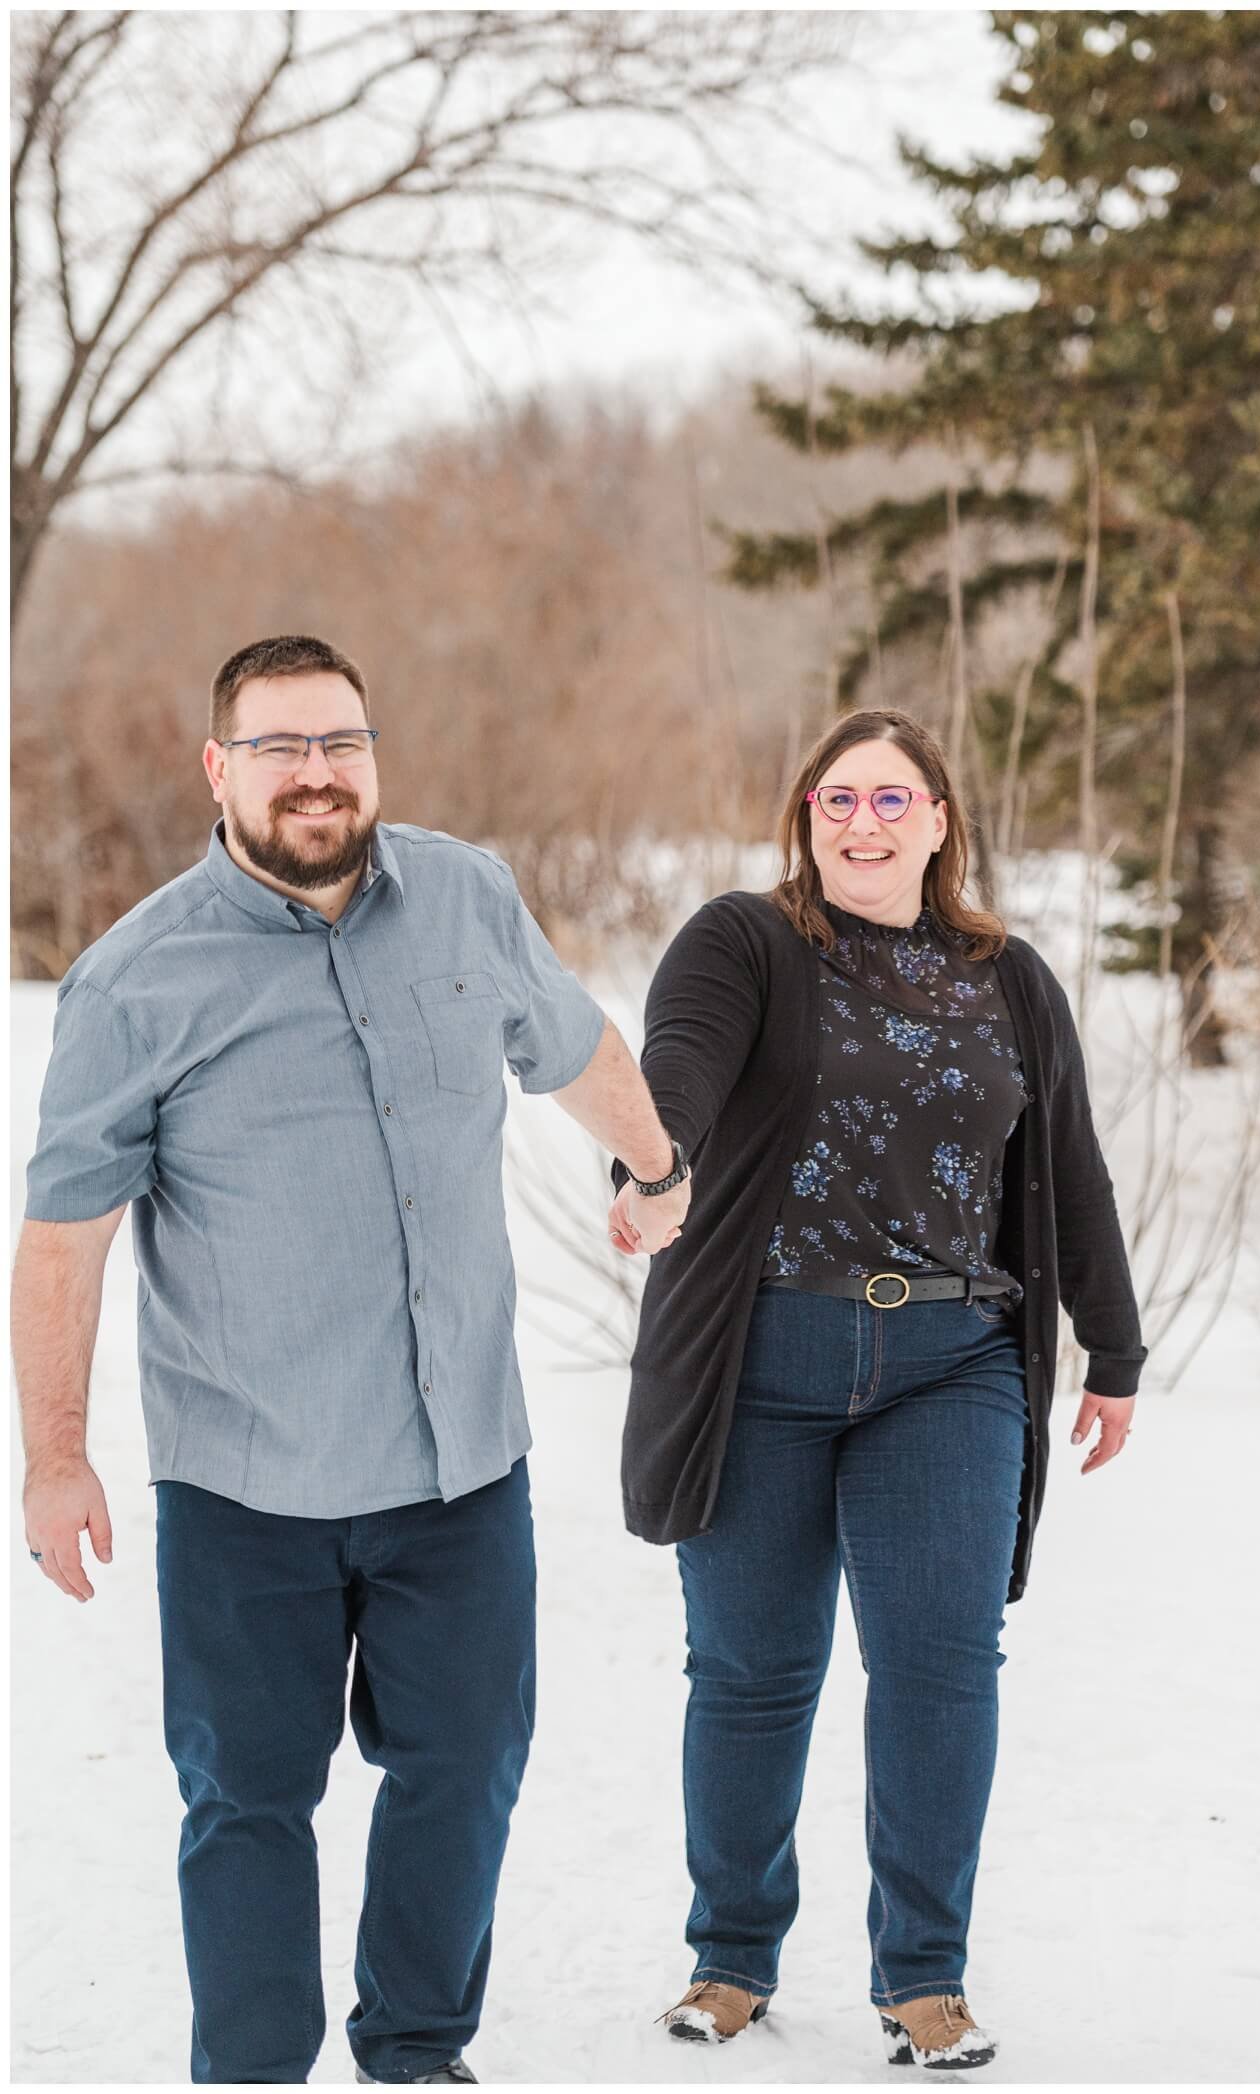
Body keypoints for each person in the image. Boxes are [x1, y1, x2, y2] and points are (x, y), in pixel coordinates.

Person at [14, 634, 690, 2086]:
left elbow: (569, 1043)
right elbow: (65, 1238)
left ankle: (416, 2048)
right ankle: (254, 2069)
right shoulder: (134, 983)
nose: (315, 772)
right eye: (279, 747)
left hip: (459, 1472)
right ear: (220, 768)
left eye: (340, 742)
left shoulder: (464, 895)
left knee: (464, 1770)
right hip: (248, 1485)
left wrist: (651, 1161)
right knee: (250, 1800)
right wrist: (55, 1455)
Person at [607, 706, 1147, 2073]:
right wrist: (651, 1162)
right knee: (750, 1671)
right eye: (840, 799)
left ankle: (924, 1979)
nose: (865, 822)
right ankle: (730, 1957)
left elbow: (1067, 1165)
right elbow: (679, 1064)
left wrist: (1116, 1347)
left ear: (940, 819)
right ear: (805, 813)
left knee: (941, 1668)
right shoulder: (745, 942)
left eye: (893, 799)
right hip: (760, 1359)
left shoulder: (1009, 978)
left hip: (951, 1364)